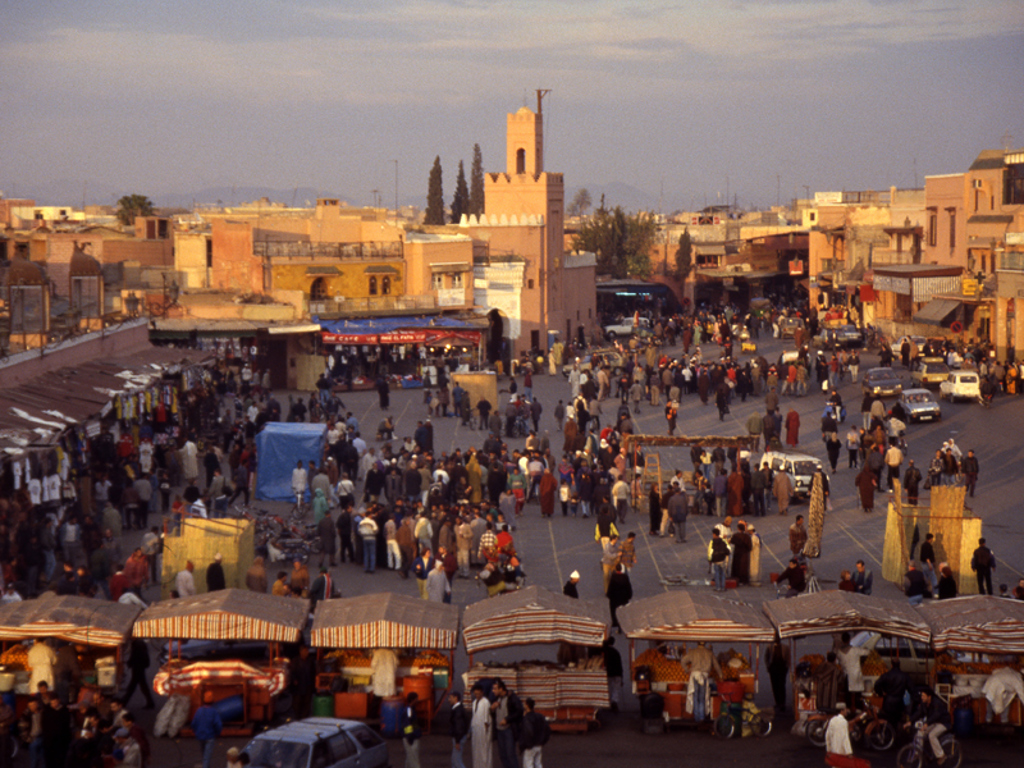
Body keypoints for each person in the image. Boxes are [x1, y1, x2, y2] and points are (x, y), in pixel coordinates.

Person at [907, 688, 951, 765]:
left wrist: (927, 723)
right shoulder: (924, 703)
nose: (922, 697)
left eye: (923, 696)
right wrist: (910, 721)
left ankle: (941, 755)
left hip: (943, 723)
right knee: (920, 732)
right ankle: (918, 753)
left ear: (929, 697)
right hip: (933, 722)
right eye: (921, 696)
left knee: (932, 735)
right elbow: (919, 712)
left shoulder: (937, 703)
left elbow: (936, 714)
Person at [490, 678, 523, 768]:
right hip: (499, 730)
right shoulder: (496, 698)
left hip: (509, 730)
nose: (493, 691)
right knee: (502, 755)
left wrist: (507, 719)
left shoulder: (511, 698)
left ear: (501, 689)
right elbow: (493, 715)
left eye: (495, 688)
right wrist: (492, 709)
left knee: (510, 754)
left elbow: (519, 711)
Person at [874, 658, 912, 726]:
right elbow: (912, 689)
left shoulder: (886, 675)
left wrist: (881, 693)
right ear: (899, 665)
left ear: (891, 665)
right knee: (897, 721)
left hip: (888, 702)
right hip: (899, 702)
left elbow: (877, 685)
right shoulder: (904, 676)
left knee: (887, 721)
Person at [190, 695, 223, 768]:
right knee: (206, 757)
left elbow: (194, 723)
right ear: (212, 702)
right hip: (209, 736)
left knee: (204, 755)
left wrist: (195, 732)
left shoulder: (199, 710)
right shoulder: (213, 712)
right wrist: (218, 733)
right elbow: (218, 724)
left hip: (200, 736)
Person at [121, 638, 155, 709]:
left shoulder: (137, 643)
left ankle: (123, 702)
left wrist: (130, 662)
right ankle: (150, 702)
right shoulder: (139, 642)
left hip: (138, 666)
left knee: (133, 685)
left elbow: (135, 655)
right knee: (141, 685)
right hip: (140, 666)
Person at [518, 697, 550, 768]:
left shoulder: (527, 718)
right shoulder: (540, 716)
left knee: (528, 764)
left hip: (530, 746)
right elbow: (547, 730)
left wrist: (527, 745)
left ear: (526, 705)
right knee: (538, 764)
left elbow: (528, 732)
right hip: (539, 745)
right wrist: (542, 742)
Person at [470, 684, 493, 768]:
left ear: (482, 693)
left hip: (483, 730)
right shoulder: (474, 702)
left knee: (484, 751)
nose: (477, 695)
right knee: (476, 751)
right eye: (475, 694)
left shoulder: (486, 702)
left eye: (478, 693)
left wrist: (486, 730)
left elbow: (487, 718)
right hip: (476, 730)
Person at [765, 639, 789, 714]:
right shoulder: (770, 647)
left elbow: (788, 658)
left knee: (781, 686)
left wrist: (787, 667)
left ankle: (782, 703)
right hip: (773, 668)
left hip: (782, 668)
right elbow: (766, 657)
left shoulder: (785, 647)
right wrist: (768, 666)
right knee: (774, 686)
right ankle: (778, 702)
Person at [607, 563, 632, 631]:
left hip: (615, 598)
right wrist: (629, 595)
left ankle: (615, 622)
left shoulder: (613, 577)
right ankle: (622, 623)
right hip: (623, 597)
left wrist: (609, 595)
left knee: (614, 610)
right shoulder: (625, 577)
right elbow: (628, 587)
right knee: (622, 611)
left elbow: (610, 587)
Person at [399, 692, 422, 768]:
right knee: (414, 760)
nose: (417, 700)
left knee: (410, 759)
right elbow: (407, 724)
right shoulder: (409, 710)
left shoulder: (410, 709)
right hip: (412, 738)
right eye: (416, 699)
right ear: (412, 700)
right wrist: (410, 737)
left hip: (410, 737)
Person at [448, 691, 469, 768]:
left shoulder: (457, 711)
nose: (449, 700)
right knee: (454, 760)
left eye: (450, 698)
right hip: (459, 737)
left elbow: (458, 727)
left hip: (458, 738)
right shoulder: (459, 709)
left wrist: (457, 741)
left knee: (456, 761)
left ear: (455, 698)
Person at [603, 637, 624, 713]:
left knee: (608, 689)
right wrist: (621, 677)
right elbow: (620, 665)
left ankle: (607, 703)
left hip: (608, 674)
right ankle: (614, 702)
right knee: (616, 689)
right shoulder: (616, 652)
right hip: (617, 674)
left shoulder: (605, 652)